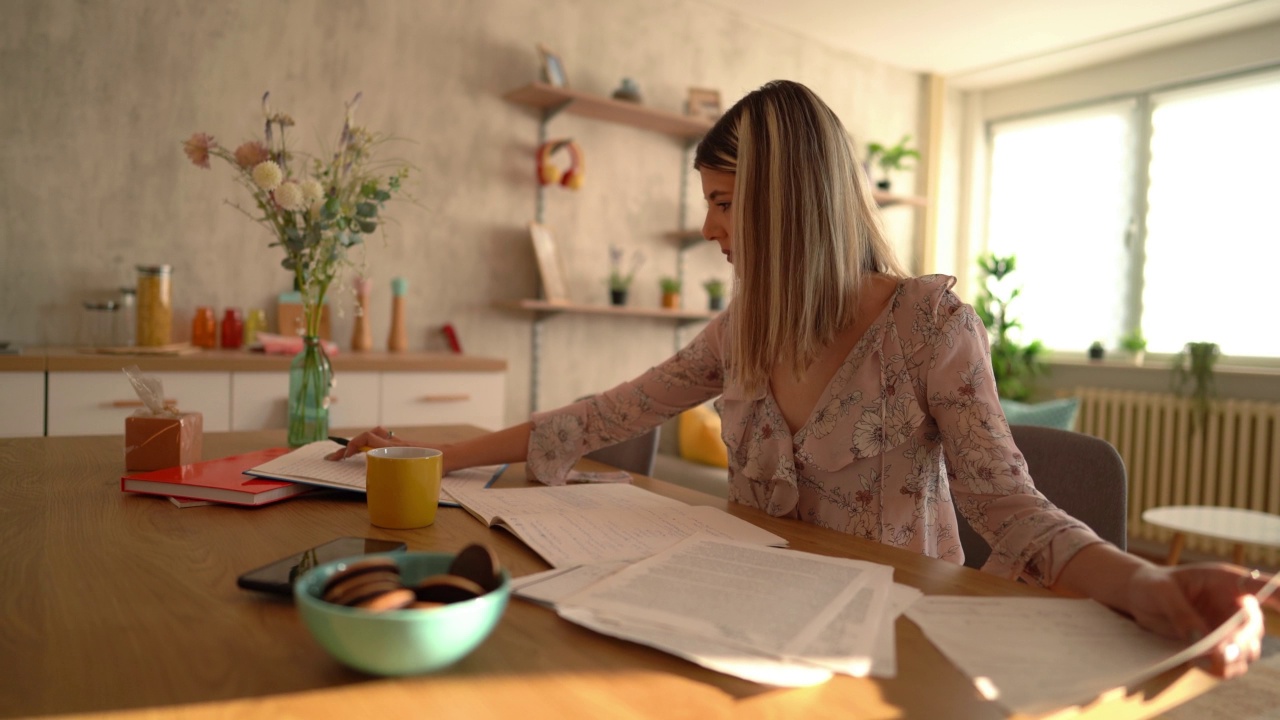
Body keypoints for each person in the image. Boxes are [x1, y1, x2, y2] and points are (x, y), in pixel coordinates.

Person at [333, 79, 1274, 677]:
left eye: (726, 204)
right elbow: (600, 415)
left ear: (790, 205)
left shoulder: (927, 323)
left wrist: (1147, 582)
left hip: (892, 637)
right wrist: (433, 452)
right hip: (749, 618)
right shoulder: (745, 326)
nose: (710, 230)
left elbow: (1012, 510)